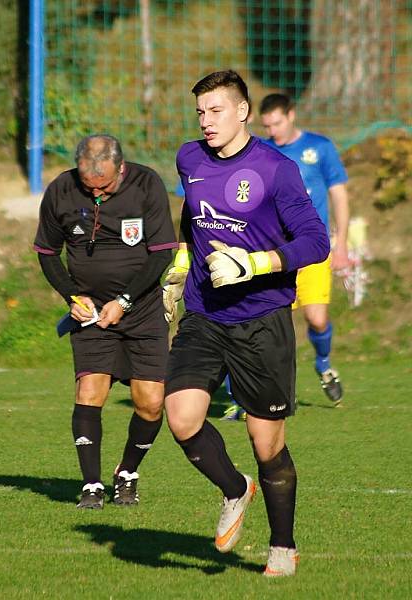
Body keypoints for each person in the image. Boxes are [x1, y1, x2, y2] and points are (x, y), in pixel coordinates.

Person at [162, 70, 329, 576]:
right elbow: (193, 218)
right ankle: (235, 489)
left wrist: (254, 264)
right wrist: (180, 267)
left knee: (267, 443)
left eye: (215, 111)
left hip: (262, 320)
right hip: (205, 314)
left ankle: (283, 546)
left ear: (242, 112)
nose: (205, 121)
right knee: (182, 418)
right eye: (199, 112)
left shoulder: (276, 169)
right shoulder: (189, 158)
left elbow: (315, 242)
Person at [34, 134, 177, 509]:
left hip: (142, 310)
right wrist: (72, 296)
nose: (97, 194)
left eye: (106, 186)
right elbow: (48, 253)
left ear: (121, 166)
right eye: (89, 186)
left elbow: (162, 253)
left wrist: (125, 301)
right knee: (89, 393)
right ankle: (92, 485)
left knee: (150, 403)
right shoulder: (61, 191)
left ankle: (127, 472)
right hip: (91, 315)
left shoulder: (147, 185)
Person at [260, 93, 350, 404]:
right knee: (272, 327)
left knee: (317, 319)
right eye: (267, 125)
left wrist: (342, 245)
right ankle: (252, 391)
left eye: (277, 123)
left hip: (313, 249)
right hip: (276, 254)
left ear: (291, 115)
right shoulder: (261, 152)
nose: (273, 131)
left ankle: (324, 365)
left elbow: (338, 195)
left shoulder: (320, 148)